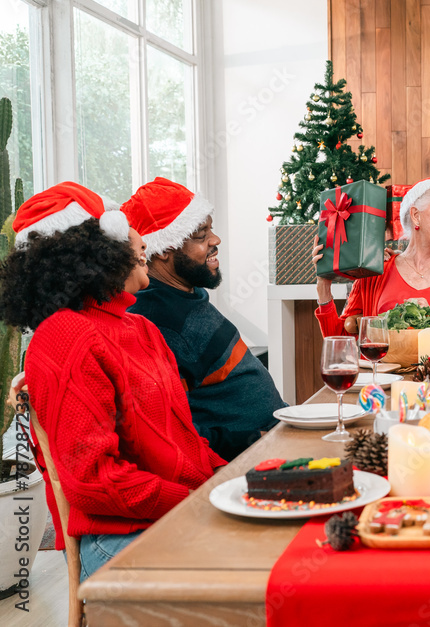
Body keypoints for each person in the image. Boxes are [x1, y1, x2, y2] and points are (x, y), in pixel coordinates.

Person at [0, 182, 226, 582]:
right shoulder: (66, 335)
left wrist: (235, 481)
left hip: (175, 513)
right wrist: (198, 501)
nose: (143, 246)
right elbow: (90, 482)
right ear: (91, 255)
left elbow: (186, 443)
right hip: (122, 536)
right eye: (126, 235)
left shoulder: (141, 329)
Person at [122, 178, 283, 461]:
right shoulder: (156, 323)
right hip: (249, 459)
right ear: (162, 249)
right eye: (200, 234)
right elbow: (169, 431)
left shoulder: (186, 292)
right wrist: (252, 440)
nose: (215, 240)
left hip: (275, 434)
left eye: (211, 229)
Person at [314, 178, 430, 336]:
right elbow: (339, 339)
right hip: (383, 363)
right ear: (416, 215)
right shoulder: (374, 273)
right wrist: (323, 286)